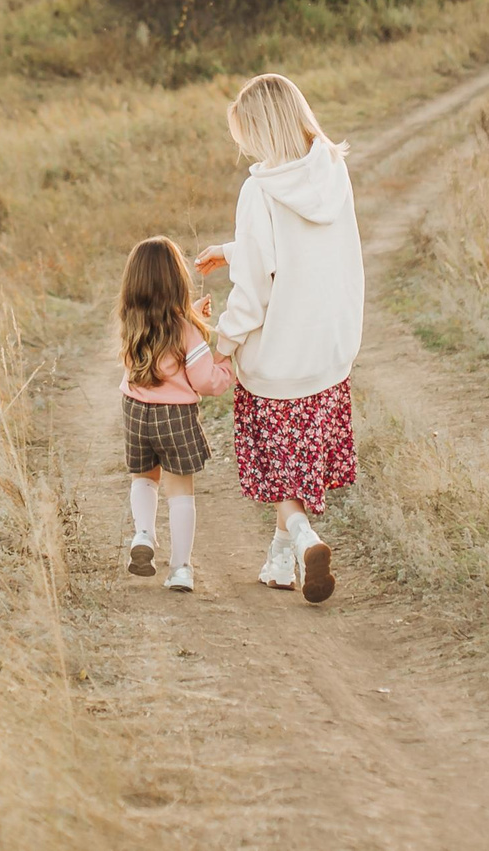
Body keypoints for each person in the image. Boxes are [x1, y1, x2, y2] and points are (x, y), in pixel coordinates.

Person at [196, 73, 362, 604]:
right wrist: (233, 247)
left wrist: (222, 343)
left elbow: (256, 289)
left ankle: (304, 536)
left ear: (259, 129)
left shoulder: (259, 190)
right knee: (296, 463)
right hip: (327, 354)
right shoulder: (332, 173)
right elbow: (299, 250)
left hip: (277, 361)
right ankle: (278, 564)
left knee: (278, 474)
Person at [117, 235, 234, 593]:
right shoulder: (186, 332)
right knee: (180, 491)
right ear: (176, 281)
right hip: (175, 416)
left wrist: (192, 316)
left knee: (144, 478)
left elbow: (162, 335)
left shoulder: (130, 322)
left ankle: (144, 535)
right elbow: (207, 381)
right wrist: (227, 361)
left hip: (135, 412)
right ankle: (180, 569)